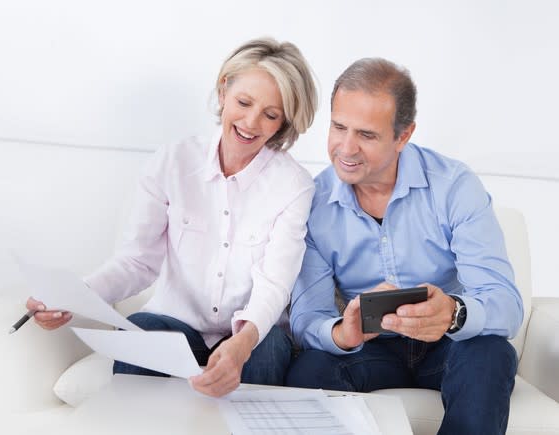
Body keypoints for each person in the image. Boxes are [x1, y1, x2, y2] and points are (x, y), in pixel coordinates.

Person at [27, 37, 318, 398]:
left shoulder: (294, 185)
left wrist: (242, 343)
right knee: (140, 329)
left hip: (250, 333)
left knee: (270, 347)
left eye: (271, 115)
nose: (251, 122)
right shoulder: (172, 162)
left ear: (284, 123)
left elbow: (274, 283)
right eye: (244, 102)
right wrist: (73, 296)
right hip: (176, 324)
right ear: (224, 88)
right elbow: (137, 262)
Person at [286, 58, 523, 434]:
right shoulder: (313, 202)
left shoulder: (454, 186)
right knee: (310, 369)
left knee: (491, 353)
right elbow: (306, 319)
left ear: (403, 135)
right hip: (371, 350)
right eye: (338, 126)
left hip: (448, 345)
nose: (346, 148)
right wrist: (341, 334)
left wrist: (452, 313)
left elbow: (506, 305)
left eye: (366, 134)